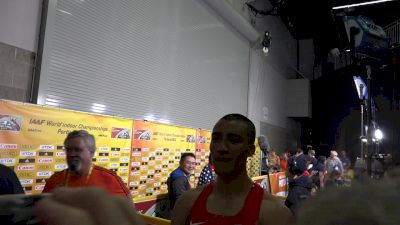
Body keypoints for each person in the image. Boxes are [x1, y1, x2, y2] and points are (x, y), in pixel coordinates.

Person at [172, 114, 294, 225]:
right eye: (216, 138)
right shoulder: (187, 203)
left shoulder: (274, 213)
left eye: (234, 140)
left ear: (251, 150)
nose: (221, 147)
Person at [42, 130, 130, 198]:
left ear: (91, 152)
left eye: (77, 149)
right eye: (68, 149)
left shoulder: (110, 179)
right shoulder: (55, 179)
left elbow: (127, 212)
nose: (71, 154)